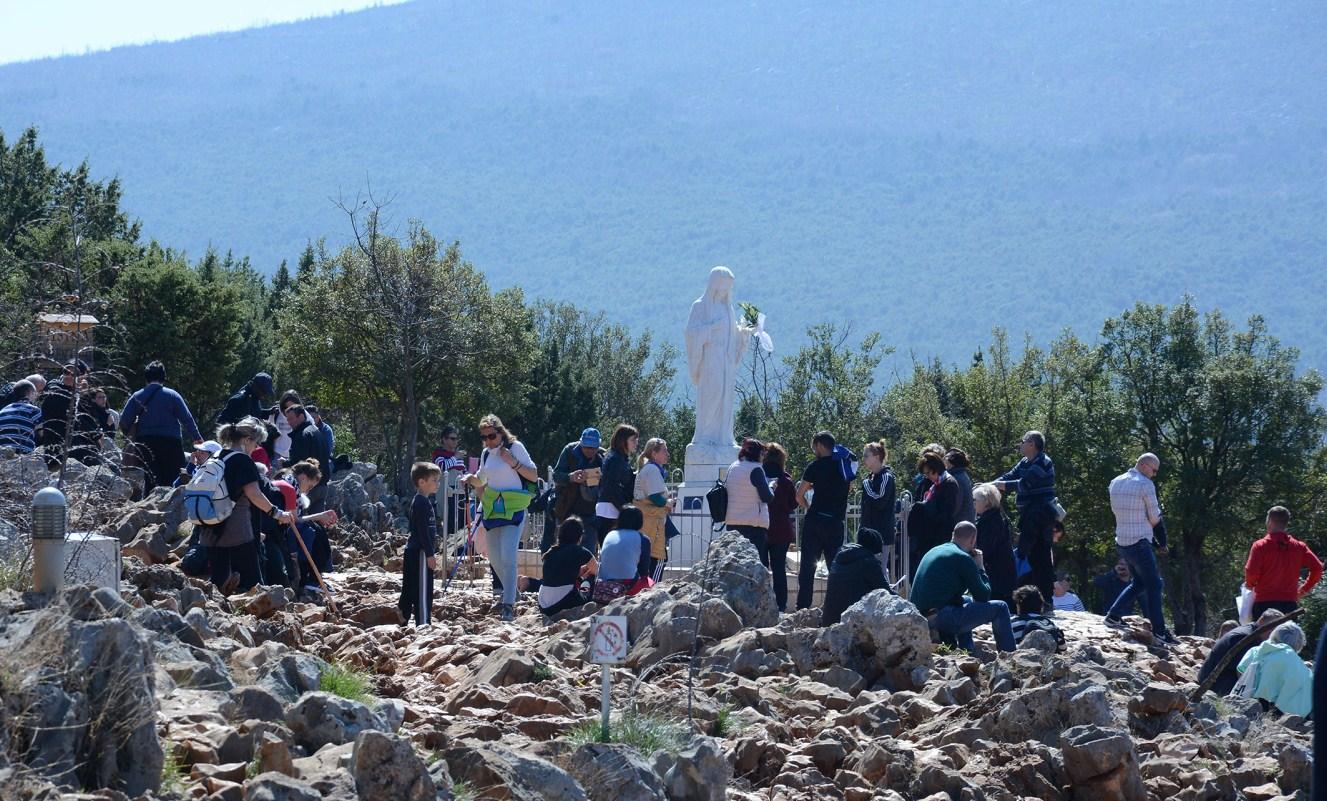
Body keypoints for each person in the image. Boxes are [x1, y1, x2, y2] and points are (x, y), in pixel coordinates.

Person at [199, 417, 294, 594]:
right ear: (246, 440)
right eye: (256, 443)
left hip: (209, 526)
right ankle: (261, 618)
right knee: (253, 582)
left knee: (219, 580)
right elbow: (254, 494)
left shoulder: (216, 456)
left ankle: (214, 613)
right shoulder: (243, 461)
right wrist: (277, 513)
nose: (256, 448)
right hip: (236, 530)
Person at [463, 414, 539, 621]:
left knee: (508, 555)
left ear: (501, 432)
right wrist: (470, 479)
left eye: (492, 435)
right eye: (484, 437)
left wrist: (513, 463)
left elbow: (533, 475)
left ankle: (508, 604)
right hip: (493, 509)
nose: (488, 440)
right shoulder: (486, 453)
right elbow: (482, 478)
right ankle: (512, 592)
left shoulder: (516, 448)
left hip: (514, 508)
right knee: (495, 558)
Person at [910, 521, 1016, 653]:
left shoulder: (935, 550)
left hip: (920, 616)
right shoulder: (963, 558)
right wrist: (980, 567)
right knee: (1001, 607)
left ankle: (967, 650)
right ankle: (1009, 655)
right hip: (942, 618)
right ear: (973, 540)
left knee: (966, 600)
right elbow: (983, 596)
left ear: (953, 535)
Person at [1105, 452, 1178, 646]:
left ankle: (1113, 616)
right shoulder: (1145, 484)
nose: (1154, 474)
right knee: (1155, 585)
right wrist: (1162, 542)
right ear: (1144, 465)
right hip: (1139, 542)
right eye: (1154, 470)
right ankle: (1160, 632)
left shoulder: (1115, 482)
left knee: (1139, 582)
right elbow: (1155, 518)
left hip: (1122, 541)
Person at [993, 431, 1057, 605]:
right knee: (1032, 557)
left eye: (1022, 441)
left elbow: (1024, 484)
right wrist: (990, 485)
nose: (1019, 445)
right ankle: (1038, 601)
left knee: (1041, 557)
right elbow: (1010, 476)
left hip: (1041, 516)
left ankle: (1046, 600)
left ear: (1032, 444)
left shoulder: (1043, 462)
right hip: (1029, 515)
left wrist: (1001, 485)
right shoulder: (1025, 462)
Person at [120, 361, 204, 490]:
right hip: (171, 442)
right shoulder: (172, 395)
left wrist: (130, 435)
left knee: (151, 479)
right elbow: (187, 419)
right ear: (163, 377)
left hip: (146, 443)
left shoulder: (137, 396)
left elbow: (124, 421)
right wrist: (197, 438)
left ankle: (151, 506)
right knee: (175, 478)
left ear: (146, 377)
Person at [795, 432, 854, 610]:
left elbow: (799, 495)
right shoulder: (844, 466)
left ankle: (803, 607)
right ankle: (837, 607)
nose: (814, 451)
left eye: (814, 447)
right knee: (834, 567)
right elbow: (849, 489)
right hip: (835, 523)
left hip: (815, 521)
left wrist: (808, 507)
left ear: (820, 445)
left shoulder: (814, 467)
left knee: (807, 567)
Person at [1244, 505, 1322, 619]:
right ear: (1286, 523)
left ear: (1269, 520)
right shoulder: (1299, 547)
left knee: (1263, 636)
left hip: (1264, 604)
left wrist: (1250, 585)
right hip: (1289, 605)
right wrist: (1303, 590)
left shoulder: (1260, 546)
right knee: (1287, 635)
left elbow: (1251, 572)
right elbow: (1318, 568)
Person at [1198, 609, 1285, 696]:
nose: (1273, 633)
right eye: (1273, 628)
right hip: (1215, 684)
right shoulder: (1245, 638)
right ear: (1261, 621)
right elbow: (1243, 671)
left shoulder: (1250, 632)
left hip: (1220, 678)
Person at [521, 516, 598, 616]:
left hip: (543, 605)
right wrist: (586, 577)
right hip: (562, 603)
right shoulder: (580, 551)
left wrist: (579, 572)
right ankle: (584, 589)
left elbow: (559, 575)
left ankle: (529, 583)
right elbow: (597, 571)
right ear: (579, 536)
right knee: (591, 581)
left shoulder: (550, 552)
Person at [1235, 621, 1311, 717]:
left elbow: (1240, 669)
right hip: (1279, 711)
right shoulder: (1297, 663)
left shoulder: (1256, 650)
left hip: (1246, 702)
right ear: (1299, 643)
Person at [400, 461, 441, 626]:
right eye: (434, 480)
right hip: (420, 552)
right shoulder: (421, 502)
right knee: (423, 588)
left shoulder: (424, 501)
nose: (437, 484)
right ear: (422, 482)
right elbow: (423, 531)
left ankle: (403, 613)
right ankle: (423, 622)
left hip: (418, 550)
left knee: (412, 585)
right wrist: (430, 554)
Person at [821, 527, 889, 626]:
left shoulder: (839, 557)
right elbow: (885, 590)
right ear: (873, 548)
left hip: (829, 620)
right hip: (851, 623)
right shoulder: (868, 562)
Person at [552, 428, 606, 551]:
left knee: (588, 555)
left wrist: (602, 478)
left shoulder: (603, 457)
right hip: (567, 512)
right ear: (581, 443)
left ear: (598, 446)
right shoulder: (569, 451)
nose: (590, 450)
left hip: (591, 514)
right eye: (586, 447)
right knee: (564, 552)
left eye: (593, 448)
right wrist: (571, 477)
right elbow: (556, 475)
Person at [725, 438, 775, 566]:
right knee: (757, 566)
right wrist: (772, 487)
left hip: (732, 523)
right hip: (753, 525)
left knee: (735, 566)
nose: (763, 457)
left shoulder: (733, 466)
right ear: (757, 453)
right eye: (762, 453)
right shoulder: (756, 469)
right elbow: (767, 497)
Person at [593, 505, 653, 604]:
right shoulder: (643, 539)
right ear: (640, 521)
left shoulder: (609, 534)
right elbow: (644, 571)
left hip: (603, 585)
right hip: (627, 586)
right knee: (649, 582)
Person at [910, 451, 962, 564]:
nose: (928, 477)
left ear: (936, 467)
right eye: (925, 474)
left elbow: (947, 513)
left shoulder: (949, 484)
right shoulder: (936, 485)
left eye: (929, 473)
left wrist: (926, 508)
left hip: (941, 536)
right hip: (932, 535)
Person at [764, 443, 798, 613]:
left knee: (761, 568)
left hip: (762, 528)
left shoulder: (758, 476)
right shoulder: (786, 480)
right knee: (779, 570)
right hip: (781, 530)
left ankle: (761, 603)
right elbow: (793, 504)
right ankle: (781, 606)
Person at [632, 437, 672, 580]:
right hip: (652, 521)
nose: (668, 453)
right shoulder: (652, 470)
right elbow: (655, 497)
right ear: (654, 454)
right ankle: (651, 589)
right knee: (658, 558)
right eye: (664, 450)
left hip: (646, 520)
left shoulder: (648, 468)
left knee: (647, 557)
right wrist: (668, 502)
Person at [973, 482, 1017, 604]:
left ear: (986, 502)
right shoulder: (990, 518)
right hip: (998, 576)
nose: (973, 503)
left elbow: (985, 549)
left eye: (975, 500)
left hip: (998, 578)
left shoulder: (993, 522)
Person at [35, 359, 90, 456]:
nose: (69, 376)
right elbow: (56, 396)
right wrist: (77, 394)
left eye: (74, 373)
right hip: (54, 439)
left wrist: (84, 395)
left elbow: (88, 417)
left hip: (75, 438)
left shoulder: (81, 395)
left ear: (82, 376)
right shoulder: (54, 384)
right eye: (66, 372)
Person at [859, 441, 897, 578]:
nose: (864, 459)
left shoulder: (886, 477)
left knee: (879, 571)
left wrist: (867, 486)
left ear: (876, 456)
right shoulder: (871, 478)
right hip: (869, 532)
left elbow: (880, 500)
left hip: (881, 533)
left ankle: (886, 597)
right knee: (869, 570)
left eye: (866, 455)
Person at [597, 424, 638, 545]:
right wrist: (625, 509)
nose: (636, 443)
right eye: (632, 440)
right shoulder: (616, 460)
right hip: (610, 510)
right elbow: (611, 487)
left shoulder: (619, 458)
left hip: (612, 508)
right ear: (622, 441)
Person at [285, 404, 331, 512]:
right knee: (317, 522)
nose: (289, 422)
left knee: (302, 521)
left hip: (309, 487)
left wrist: (284, 464)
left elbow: (298, 463)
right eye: (288, 419)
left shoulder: (302, 435)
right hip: (323, 485)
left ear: (301, 416)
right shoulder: (317, 431)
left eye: (291, 419)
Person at [431, 425, 467, 538]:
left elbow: (463, 471)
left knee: (462, 521)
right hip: (447, 493)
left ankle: (460, 548)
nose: (455, 441)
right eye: (452, 438)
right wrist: (455, 457)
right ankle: (449, 549)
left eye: (456, 439)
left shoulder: (457, 457)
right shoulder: (438, 454)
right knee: (450, 521)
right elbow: (442, 467)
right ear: (444, 439)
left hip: (461, 493)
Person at [0, 380, 42, 454]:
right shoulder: (33, 410)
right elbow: (43, 433)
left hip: (3, 453)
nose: (35, 397)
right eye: (35, 393)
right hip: (23, 453)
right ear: (29, 393)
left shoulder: (3, 411)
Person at [266, 390, 302, 465]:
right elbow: (268, 431)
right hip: (276, 454)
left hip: (295, 455)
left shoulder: (304, 415)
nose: (288, 410)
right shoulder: (275, 413)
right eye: (286, 407)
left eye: (292, 407)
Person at [945, 448, 976, 524]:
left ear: (951, 461)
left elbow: (956, 506)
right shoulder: (961, 474)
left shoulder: (957, 479)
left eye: (946, 456)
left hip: (961, 524)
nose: (944, 458)